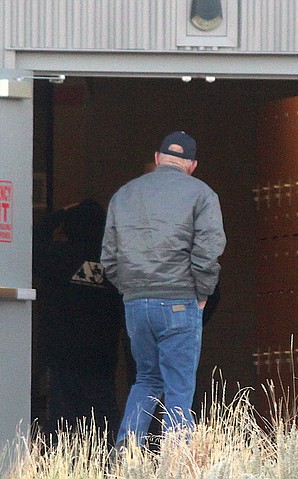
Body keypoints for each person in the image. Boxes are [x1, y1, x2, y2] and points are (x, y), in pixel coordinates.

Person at [101, 131, 226, 448]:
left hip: (136, 303)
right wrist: (202, 293)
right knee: (179, 387)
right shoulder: (202, 194)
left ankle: (127, 454)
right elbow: (209, 251)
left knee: (146, 380)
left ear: (158, 159)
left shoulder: (124, 194)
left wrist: (130, 290)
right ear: (192, 165)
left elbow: (109, 258)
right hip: (179, 301)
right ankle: (177, 461)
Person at [33, 198, 125, 444]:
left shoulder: (57, 256)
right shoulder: (117, 263)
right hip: (101, 357)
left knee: (60, 426)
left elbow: (26, 242)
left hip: (61, 355)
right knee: (102, 424)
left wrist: (59, 213)